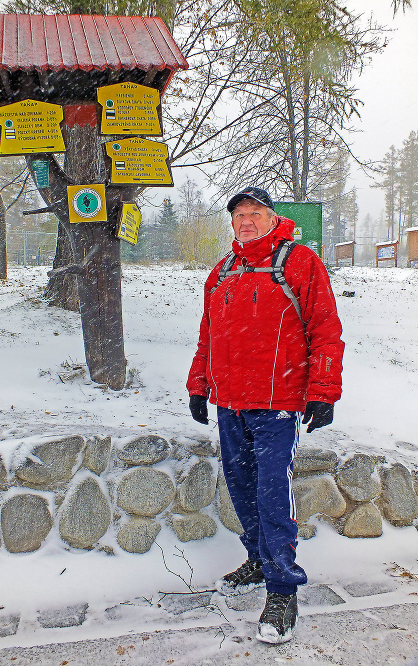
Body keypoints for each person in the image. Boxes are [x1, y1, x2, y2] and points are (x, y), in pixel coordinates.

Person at [187, 186, 344, 644]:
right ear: (232, 222)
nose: (247, 220)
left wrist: (323, 390)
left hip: (277, 404)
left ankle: (281, 589)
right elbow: (208, 337)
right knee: (240, 486)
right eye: (239, 214)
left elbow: (325, 329)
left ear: (274, 218)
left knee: (273, 491)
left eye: (256, 213)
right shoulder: (223, 272)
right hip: (230, 403)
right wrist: (199, 386)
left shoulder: (299, 263)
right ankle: (259, 557)